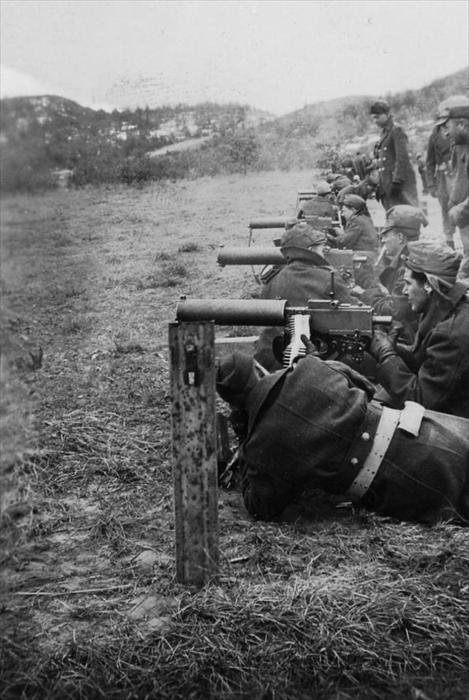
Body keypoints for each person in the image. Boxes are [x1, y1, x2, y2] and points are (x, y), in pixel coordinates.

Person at [216, 350, 469, 525]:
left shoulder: (261, 447)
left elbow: (261, 507)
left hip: (402, 482)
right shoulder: (310, 366)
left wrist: (245, 434)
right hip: (425, 428)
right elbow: (368, 389)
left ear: (234, 405)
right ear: (259, 368)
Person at [369, 241, 469, 419]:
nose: (405, 291)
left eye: (408, 283)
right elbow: (429, 360)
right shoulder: (445, 306)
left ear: (429, 285)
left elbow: (420, 400)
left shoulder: (451, 332)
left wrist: (387, 356)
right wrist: (395, 349)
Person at [253, 222, 353, 371]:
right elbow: (353, 316)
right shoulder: (327, 279)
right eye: (321, 249)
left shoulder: (272, 281)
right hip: (310, 365)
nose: (324, 252)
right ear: (312, 250)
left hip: (270, 362)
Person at [361, 205, 426, 343]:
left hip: (411, 336)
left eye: (386, 235)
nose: (383, 240)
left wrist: (363, 293)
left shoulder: (409, 266)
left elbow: (394, 311)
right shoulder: (413, 255)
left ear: (401, 237)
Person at [425, 97, 468, 249]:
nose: (446, 131)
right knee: (447, 207)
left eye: (447, 125)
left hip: (458, 178)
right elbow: (429, 162)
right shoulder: (436, 136)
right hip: (445, 178)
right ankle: (450, 240)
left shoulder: (461, 140)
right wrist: (431, 184)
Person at [370, 100, 418, 211]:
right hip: (387, 185)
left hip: (398, 186)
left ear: (387, 114)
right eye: (373, 118)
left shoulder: (397, 130)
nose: (375, 121)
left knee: (406, 217)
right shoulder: (384, 133)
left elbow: (402, 158)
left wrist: (397, 181)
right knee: (393, 219)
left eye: (377, 117)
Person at [444, 103, 469, 256]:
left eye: (448, 127)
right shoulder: (463, 148)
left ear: (461, 125)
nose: (446, 133)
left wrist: (460, 210)